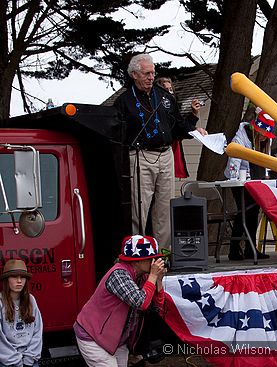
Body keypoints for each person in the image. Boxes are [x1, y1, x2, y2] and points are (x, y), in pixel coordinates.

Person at [114, 54, 207, 250]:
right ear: (134, 75)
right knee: (139, 208)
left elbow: (177, 125)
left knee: (164, 208)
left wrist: (193, 128)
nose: (150, 77)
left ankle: (163, 254)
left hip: (165, 154)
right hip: (140, 155)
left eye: (152, 73)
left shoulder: (164, 96)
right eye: (146, 73)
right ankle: (137, 254)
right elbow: (117, 135)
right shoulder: (124, 101)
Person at [74, 235, 167, 367]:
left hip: (117, 340)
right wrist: (152, 276)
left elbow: (157, 308)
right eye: (151, 258)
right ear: (136, 261)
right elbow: (141, 302)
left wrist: (158, 280)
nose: (155, 262)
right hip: (93, 337)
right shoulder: (118, 274)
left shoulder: (143, 276)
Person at [224, 122, 270, 261]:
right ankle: (234, 249)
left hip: (253, 181)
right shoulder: (240, 139)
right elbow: (234, 163)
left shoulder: (262, 143)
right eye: (263, 134)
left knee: (254, 211)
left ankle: (250, 248)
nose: (264, 138)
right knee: (244, 211)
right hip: (237, 180)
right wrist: (235, 177)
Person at [0, 260, 43, 367]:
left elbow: (37, 332)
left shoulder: (31, 300)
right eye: (14, 277)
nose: (19, 281)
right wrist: (16, 361)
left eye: (22, 277)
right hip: (8, 360)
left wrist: (29, 358)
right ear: (6, 280)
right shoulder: (0, 302)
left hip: (30, 358)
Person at [154, 76, 195, 179]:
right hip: (159, 155)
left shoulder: (174, 111)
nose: (170, 93)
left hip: (171, 155)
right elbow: (178, 130)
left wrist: (194, 114)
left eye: (171, 90)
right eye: (166, 90)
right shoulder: (157, 113)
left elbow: (182, 130)